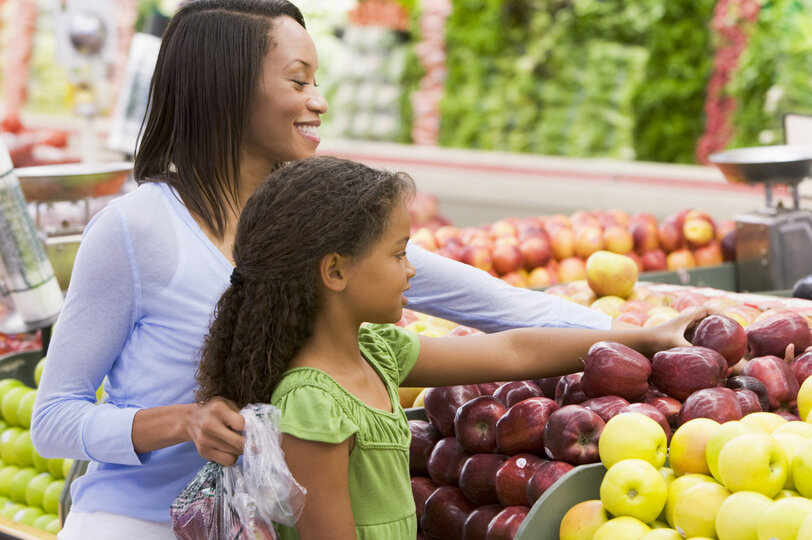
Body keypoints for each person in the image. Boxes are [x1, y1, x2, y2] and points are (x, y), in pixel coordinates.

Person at [29, 1, 658, 536]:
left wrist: (644, 342)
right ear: (227, 90)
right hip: (142, 523)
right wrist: (181, 422)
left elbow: (505, 313)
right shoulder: (135, 230)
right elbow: (54, 419)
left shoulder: (312, 217)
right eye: (299, 82)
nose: (319, 102)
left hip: (269, 524)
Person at [194, 155, 701, 539]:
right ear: (335, 270)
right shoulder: (311, 404)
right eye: (398, 254)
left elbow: (513, 353)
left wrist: (643, 338)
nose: (411, 270)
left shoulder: (376, 350)